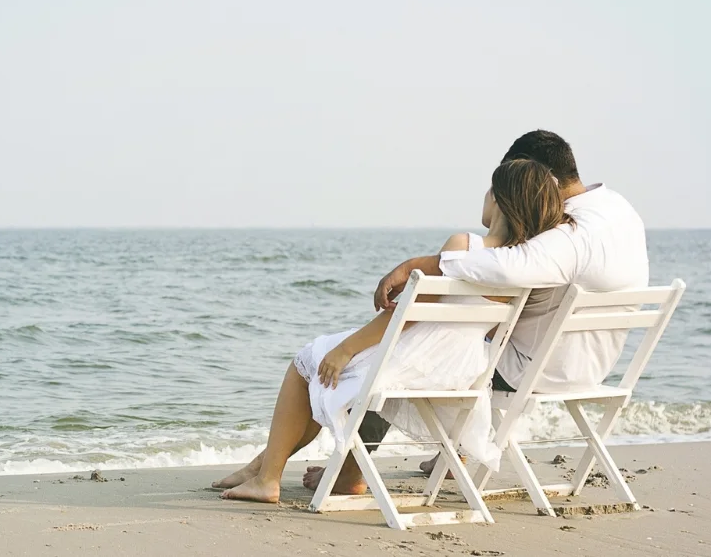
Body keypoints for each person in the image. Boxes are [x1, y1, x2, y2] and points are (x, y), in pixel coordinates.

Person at [302, 130, 650, 495]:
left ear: (538, 176)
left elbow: (506, 266)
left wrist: (422, 265)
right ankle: (455, 454)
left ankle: (353, 470)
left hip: (535, 370)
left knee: (406, 351)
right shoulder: (617, 209)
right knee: (466, 327)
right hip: (592, 365)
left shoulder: (570, 232)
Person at [214, 158, 574, 503]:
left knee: (309, 361)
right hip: (460, 371)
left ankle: (268, 478)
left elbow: (409, 316)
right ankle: (261, 467)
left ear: (498, 198)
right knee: (324, 369)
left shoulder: (465, 245)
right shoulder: (525, 266)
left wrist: (347, 349)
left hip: (416, 360)